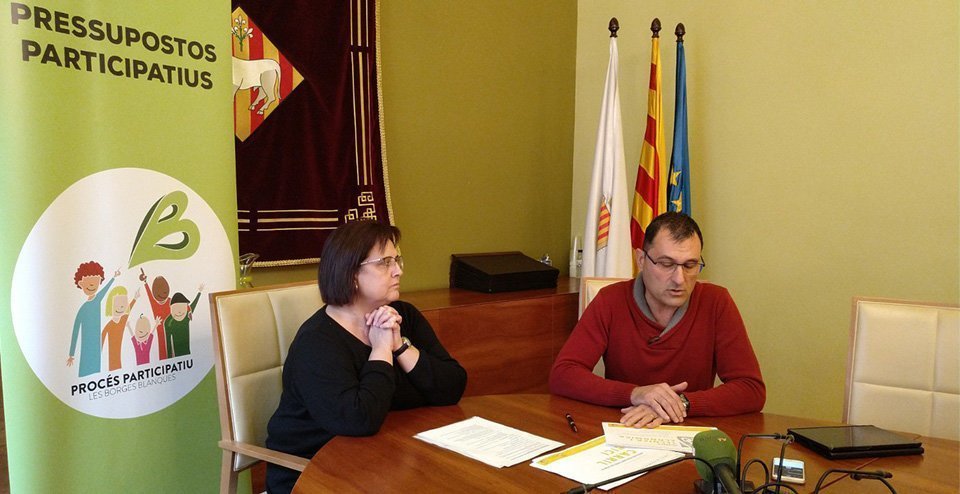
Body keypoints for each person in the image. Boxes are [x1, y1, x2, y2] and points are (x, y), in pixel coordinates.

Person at [265, 221, 467, 494]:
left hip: (386, 458)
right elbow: (358, 420)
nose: (398, 270)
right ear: (351, 274)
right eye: (385, 263)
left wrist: (399, 346)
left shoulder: (403, 316)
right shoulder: (317, 342)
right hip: (314, 473)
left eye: (397, 260)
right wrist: (381, 350)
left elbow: (452, 387)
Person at [549, 212, 765, 428]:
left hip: (688, 430)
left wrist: (679, 404)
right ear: (641, 260)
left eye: (690, 265)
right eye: (666, 264)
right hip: (625, 425)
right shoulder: (610, 300)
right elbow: (563, 374)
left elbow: (751, 389)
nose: (679, 279)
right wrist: (636, 394)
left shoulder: (716, 302)